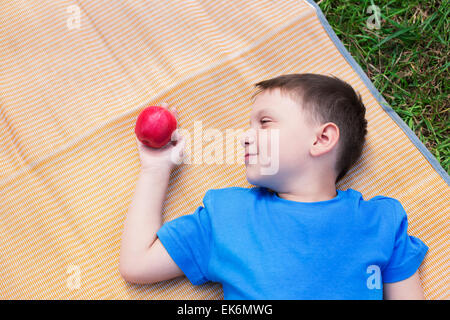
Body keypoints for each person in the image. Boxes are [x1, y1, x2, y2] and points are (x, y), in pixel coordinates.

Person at [119, 73, 428, 300]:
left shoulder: (382, 222)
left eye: (265, 123)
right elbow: (136, 263)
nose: (245, 136)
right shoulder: (228, 216)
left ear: (321, 139)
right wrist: (155, 169)